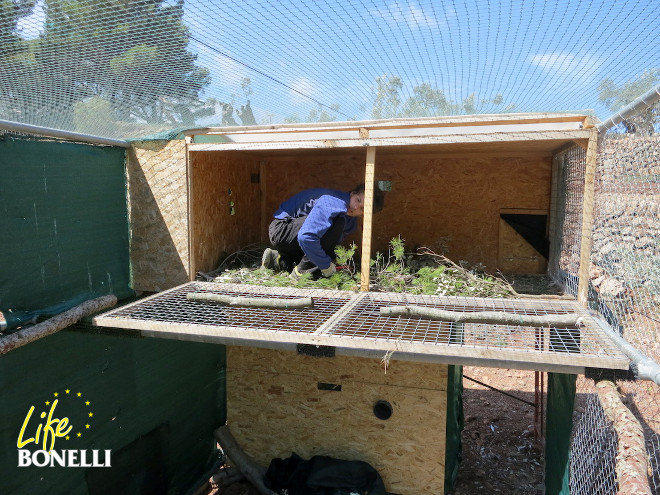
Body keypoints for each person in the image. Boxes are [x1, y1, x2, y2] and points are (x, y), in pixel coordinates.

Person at [261, 184, 385, 279]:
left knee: (327, 248)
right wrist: (325, 265)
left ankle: (280, 260)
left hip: (295, 239)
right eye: (358, 200)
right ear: (352, 193)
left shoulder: (351, 221)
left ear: (363, 215)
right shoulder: (334, 202)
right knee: (336, 224)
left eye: (362, 208)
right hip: (282, 230)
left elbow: (326, 244)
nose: (355, 207)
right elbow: (306, 237)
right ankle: (300, 274)